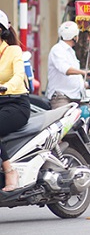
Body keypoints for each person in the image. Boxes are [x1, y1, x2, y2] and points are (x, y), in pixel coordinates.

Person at [0, 10, 30, 192]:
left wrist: (6, 87)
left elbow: (20, 75)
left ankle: (10, 171)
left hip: (15, 103)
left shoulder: (13, 51)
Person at [47, 21, 90, 109]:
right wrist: (84, 72)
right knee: (64, 122)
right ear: (74, 37)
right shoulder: (57, 50)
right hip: (62, 98)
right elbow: (66, 70)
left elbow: (74, 75)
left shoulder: (70, 51)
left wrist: (84, 84)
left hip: (75, 97)